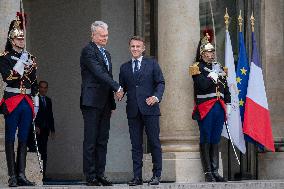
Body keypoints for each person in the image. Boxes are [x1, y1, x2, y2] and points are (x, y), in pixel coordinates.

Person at [80, 20, 123, 186]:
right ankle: (90, 176)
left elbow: (107, 78)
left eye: (106, 35)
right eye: (102, 35)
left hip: (105, 103)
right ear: (93, 35)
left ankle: (100, 174)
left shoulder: (107, 53)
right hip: (91, 102)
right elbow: (99, 74)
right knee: (90, 140)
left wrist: (111, 104)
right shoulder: (88, 51)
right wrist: (117, 86)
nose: (105, 38)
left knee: (102, 140)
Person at [119, 36, 165, 186]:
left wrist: (156, 97)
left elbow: (160, 83)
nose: (135, 49)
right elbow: (122, 87)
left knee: (154, 142)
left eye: (138, 46)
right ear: (129, 48)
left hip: (150, 109)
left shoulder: (152, 63)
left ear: (143, 48)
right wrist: (119, 93)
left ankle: (156, 175)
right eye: (133, 46)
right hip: (133, 111)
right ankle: (137, 177)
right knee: (136, 145)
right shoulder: (124, 67)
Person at [0, 15, 37, 187]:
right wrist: (20, 64)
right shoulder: (5, 57)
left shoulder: (30, 56)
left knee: (23, 137)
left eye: (23, 38)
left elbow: (34, 81)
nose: (22, 41)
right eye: (18, 38)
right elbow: (8, 78)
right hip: (13, 100)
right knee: (10, 137)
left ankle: (21, 174)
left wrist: (35, 100)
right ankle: (12, 176)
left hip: (26, 101)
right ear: (12, 40)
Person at [189, 34, 231, 182]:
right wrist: (213, 75)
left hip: (219, 106)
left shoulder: (218, 66)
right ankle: (207, 172)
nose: (212, 54)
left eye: (213, 51)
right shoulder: (197, 68)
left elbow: (225, 87)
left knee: (215, 138)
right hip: (205, 106)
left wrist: (229, 102)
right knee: (206, 137)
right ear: (202, 53)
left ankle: (215, 171)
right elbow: (202, 86)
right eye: (209, 51)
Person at [34, 80, 55, 181]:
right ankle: (36, 174)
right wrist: (35, 126)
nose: (43, 89)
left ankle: (43, 175)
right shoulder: (35, 99)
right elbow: (32, 114)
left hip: (45, 130)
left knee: (44, 152)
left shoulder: (48, 100)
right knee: (37, 152)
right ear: (39, 88)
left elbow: (50, 116)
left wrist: (52, 130)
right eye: (41, 87)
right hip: (37, 130)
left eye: (45, 87)